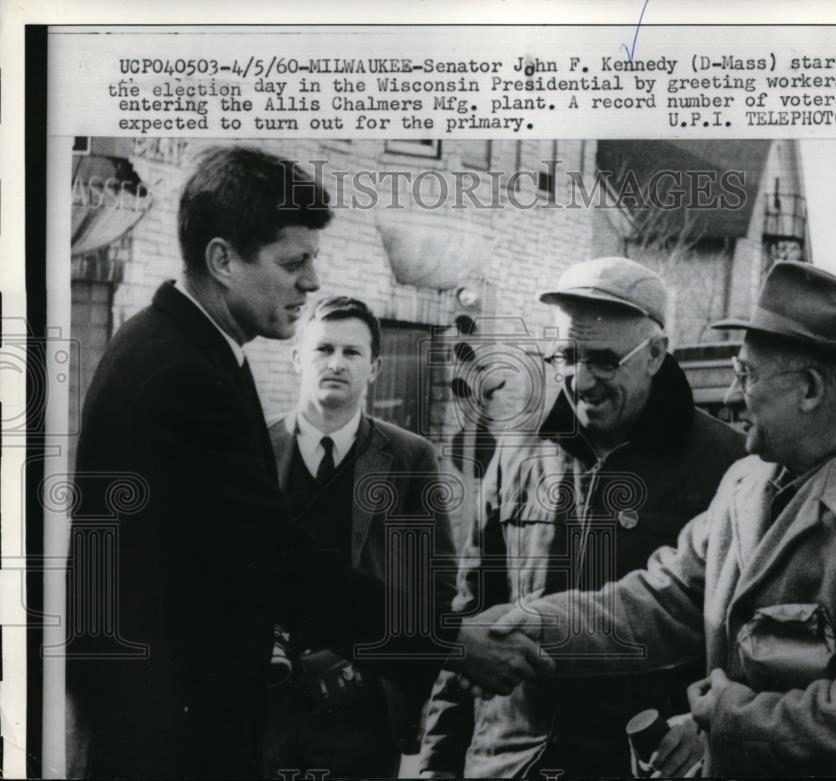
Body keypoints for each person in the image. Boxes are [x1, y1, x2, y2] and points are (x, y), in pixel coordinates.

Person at [64, 145, 548, 779]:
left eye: (313, 259)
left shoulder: (187, 347)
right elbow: (273, 563)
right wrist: (451, 642)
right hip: (166, 741)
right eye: (294, 262)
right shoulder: (181, 374)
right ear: (222, 260)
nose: (313, 281)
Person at [493, 261, 836, 777]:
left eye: (746, 375)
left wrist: (731, 718)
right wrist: (537, 623)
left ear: (809, 390)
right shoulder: (746, 484)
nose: (733, 397)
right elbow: (660, 599)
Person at [418, 257, 745, 778]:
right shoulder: (517, 450)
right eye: (566, 357)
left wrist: (707, 728)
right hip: (508, 761)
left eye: (604, 361)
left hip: (639, 763)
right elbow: (472, 612)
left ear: (656, 353)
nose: (581, 379)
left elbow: (747, 636)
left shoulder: (727, 465)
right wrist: (437, 765)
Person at [262, 296, 457, 778]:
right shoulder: (253, 449)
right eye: (323, 349)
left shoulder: (411, 458)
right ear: (296, 358)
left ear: (374, 368)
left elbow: (436, 584)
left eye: (352, 352)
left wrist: (410, 682)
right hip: (264, 702)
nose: (336, 363)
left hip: (366, 708)